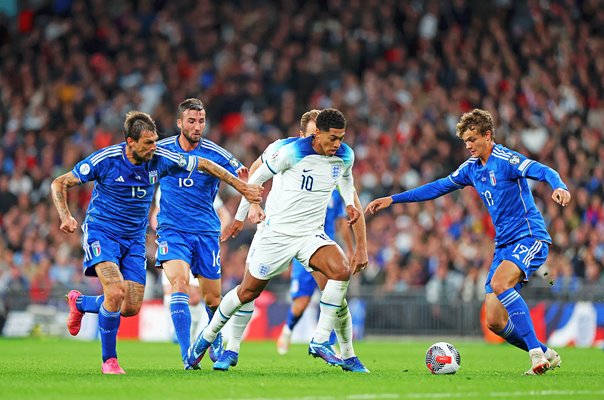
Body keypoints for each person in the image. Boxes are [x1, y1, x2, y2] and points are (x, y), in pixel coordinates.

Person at [52, 110, 262, 374]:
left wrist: (242, 188)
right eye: (148, 143)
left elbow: (204, 164)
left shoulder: (159, 159)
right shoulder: (106, 159)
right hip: (102, 232)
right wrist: (66, 216)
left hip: (134, 239)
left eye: (155, 141)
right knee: (115, 291)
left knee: (129, 307)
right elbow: (59, 183)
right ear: (130, 142)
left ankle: (80, 303)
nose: (155, 147)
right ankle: (110, 360)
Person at [365, 108, 571, 375]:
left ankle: (535, 356)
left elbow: (543, 170)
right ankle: (545, 352)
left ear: (488, 135)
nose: (469, 146)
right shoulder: (471, 169)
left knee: (500, 283)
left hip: (529, 236)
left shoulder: (505, 159)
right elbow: (437, 187)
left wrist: (560, 186)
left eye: (473, 139)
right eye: (465, 142)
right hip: (504, 245)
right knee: (495, 322)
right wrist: (393, 199)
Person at [187, 108, 369, 373]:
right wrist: (240, 216)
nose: (337, 144)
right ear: (314, 134)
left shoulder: (344, 155)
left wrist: (354, 218)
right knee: (247, 292)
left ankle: (322, 342)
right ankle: (207, 337)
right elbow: (255, 178)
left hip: (310, 234)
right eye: (332, 138)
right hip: (277, 234)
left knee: (340, 272)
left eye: (341, 138)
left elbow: (349, 191)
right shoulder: (288, 151)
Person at [154, 98, 246, 370]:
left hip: (206, 233)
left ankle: (214, 338)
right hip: (172, 231)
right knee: (179, 285)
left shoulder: (216, 153)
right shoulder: (161, 150)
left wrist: (251, 205)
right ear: (180, 122)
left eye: (201, 121)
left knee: (212, 299)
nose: (197, 126)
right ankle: (187, 355)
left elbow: (244, 176)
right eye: (191, 121)